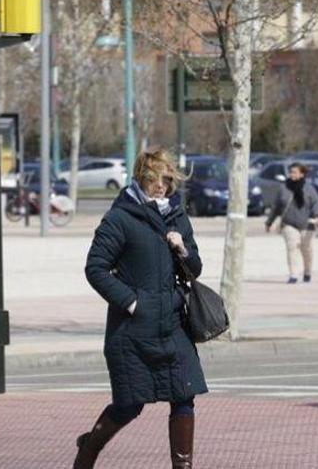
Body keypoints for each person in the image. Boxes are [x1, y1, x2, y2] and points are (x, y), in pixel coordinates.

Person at [77, 148, 207, 469]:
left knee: (184, 398)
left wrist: (182, 248)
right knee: (129, 406)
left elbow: (196, 267)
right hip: (133, 331)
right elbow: (95, 268)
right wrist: (133, 302)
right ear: (140, 178)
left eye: (166, 179)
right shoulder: (121, 217)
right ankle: (89, 449)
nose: (161, 186)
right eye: (153, 179)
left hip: (174, 324)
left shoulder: (177, 215)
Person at [265, 162, 318, 284]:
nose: (292, 174)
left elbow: (316, 203)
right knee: (292, 247)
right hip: (289, 224)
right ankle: (293, 274)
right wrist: (269, 222)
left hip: (307, 224)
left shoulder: (309, 189)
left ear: (302, 174)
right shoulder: (284, 188)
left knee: (307, 250)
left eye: (295, 172)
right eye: (290, 172)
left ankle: (307, 272)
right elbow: (276, 207)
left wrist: (317, 216)